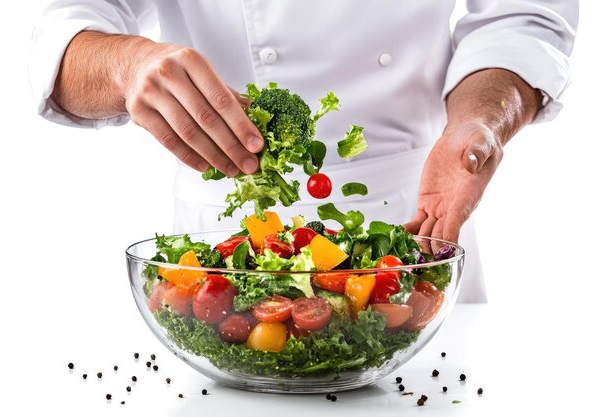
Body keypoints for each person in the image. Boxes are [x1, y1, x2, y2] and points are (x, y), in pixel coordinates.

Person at [29, 1, 578, 302]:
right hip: (230, 250)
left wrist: (482, 120)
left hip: (416, 228)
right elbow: (62, 36)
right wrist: (129, 65)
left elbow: (522, 14)